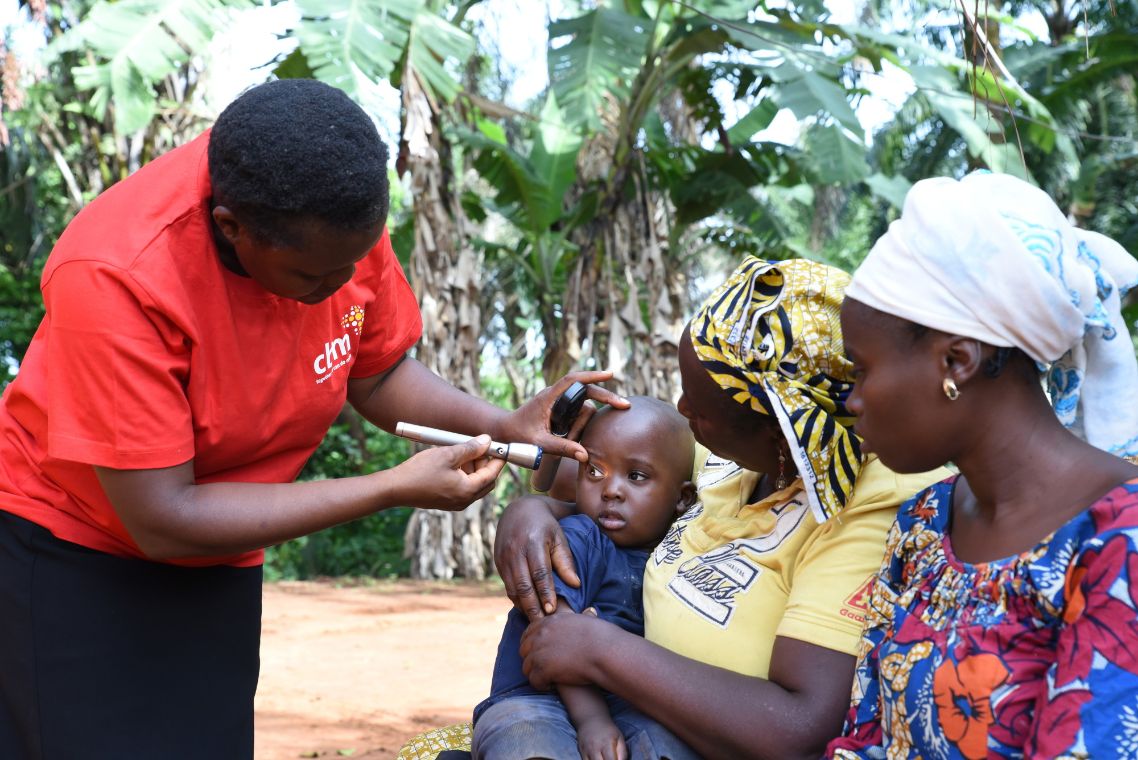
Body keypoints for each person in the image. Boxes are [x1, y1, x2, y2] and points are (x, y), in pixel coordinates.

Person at [0, 78, 622, 760]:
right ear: (234, 227)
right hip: (72, 546)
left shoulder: (333, 213)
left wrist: (504, 423)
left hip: (219, 549)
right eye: (313, 278)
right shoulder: (119, 272)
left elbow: (377, 371)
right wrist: (392, 487)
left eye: (354, 263)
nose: (339, 287)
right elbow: (161, 517)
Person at [494, 257, 949, 759]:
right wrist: (528, 515)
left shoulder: (870, 502)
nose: (683, 411)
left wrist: (601, 651)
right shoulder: (732, 458)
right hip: (624, 717)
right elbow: (584, 478)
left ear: (781, 434)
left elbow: (800, 727)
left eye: (702, 408)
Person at [824, 172, 1138, 758]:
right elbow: (864, 734)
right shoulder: (923, 523)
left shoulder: (1117, 542)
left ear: (956, 361)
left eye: (861, 368)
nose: (853, 401)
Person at [472, 397, 697, 760]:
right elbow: (554, 637)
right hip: (536, 699)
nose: (610, 490)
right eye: (595, 471)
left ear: (682, 499)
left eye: (636, 476)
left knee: (667, 747)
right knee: (527, 741)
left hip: (627, 706)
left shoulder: (681, 553)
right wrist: (593, 720)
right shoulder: (579, 537)